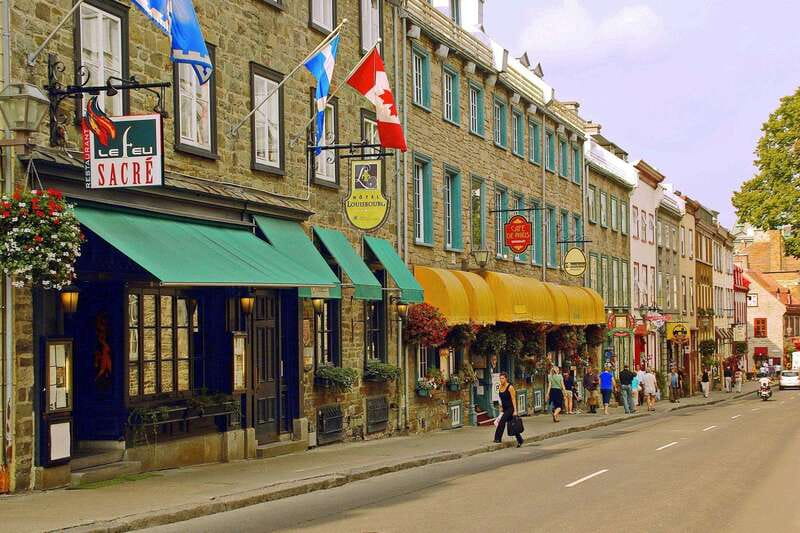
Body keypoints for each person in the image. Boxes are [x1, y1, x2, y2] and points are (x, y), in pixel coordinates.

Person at [493, 372, 524, 447]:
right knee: (512, 424)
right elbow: (501, 399)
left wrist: (515, 411)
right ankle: (520, 439)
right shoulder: (500, 387)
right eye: (500, 378)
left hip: (510, 408)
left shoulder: (510, 387)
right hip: (504, 408)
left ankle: (497, 438)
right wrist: (501, 408)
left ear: (506, 379)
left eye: (503, 378)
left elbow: (513, 399)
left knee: (502, 421)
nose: (501, 380)